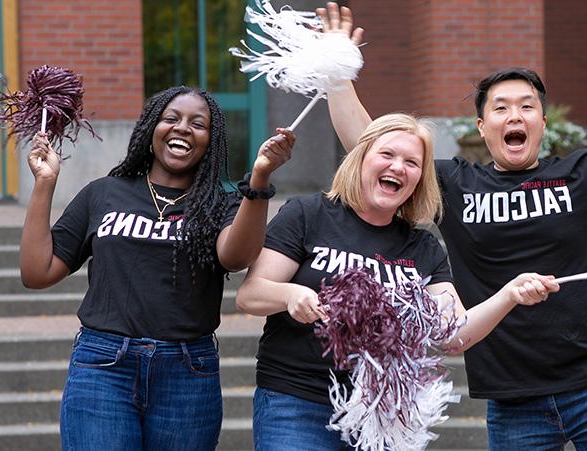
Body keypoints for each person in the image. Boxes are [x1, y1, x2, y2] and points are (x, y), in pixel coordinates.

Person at [319, 3, 587, 450]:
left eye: (526, 107)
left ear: (542, 123)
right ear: (483, 126)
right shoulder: (455, 185)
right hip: (514, 402)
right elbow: (369, 146)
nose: (514, 116)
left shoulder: (584, 177)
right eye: (500, 108)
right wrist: (338, 75)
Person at [235, 112, 559, 451]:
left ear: (420, 178)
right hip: (297, 403)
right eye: (387, 154)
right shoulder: (308, 214)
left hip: (383, 414)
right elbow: (251, 295)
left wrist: (508, 295)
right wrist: (291, 295)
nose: (398, 167)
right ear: (361, 158)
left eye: (412, 162)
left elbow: (454, 334)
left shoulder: (422, 247)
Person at [19, 85, 295, 451]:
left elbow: (237, 257)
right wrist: (44, 184)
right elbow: (37, 273)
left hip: (186, 371)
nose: (183, 128)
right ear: (151, 129)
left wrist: (259, 180)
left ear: (210, 142)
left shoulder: (222, 203)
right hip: (103, 366)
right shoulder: (103, 193)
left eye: (198, 124)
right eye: (171, 119)